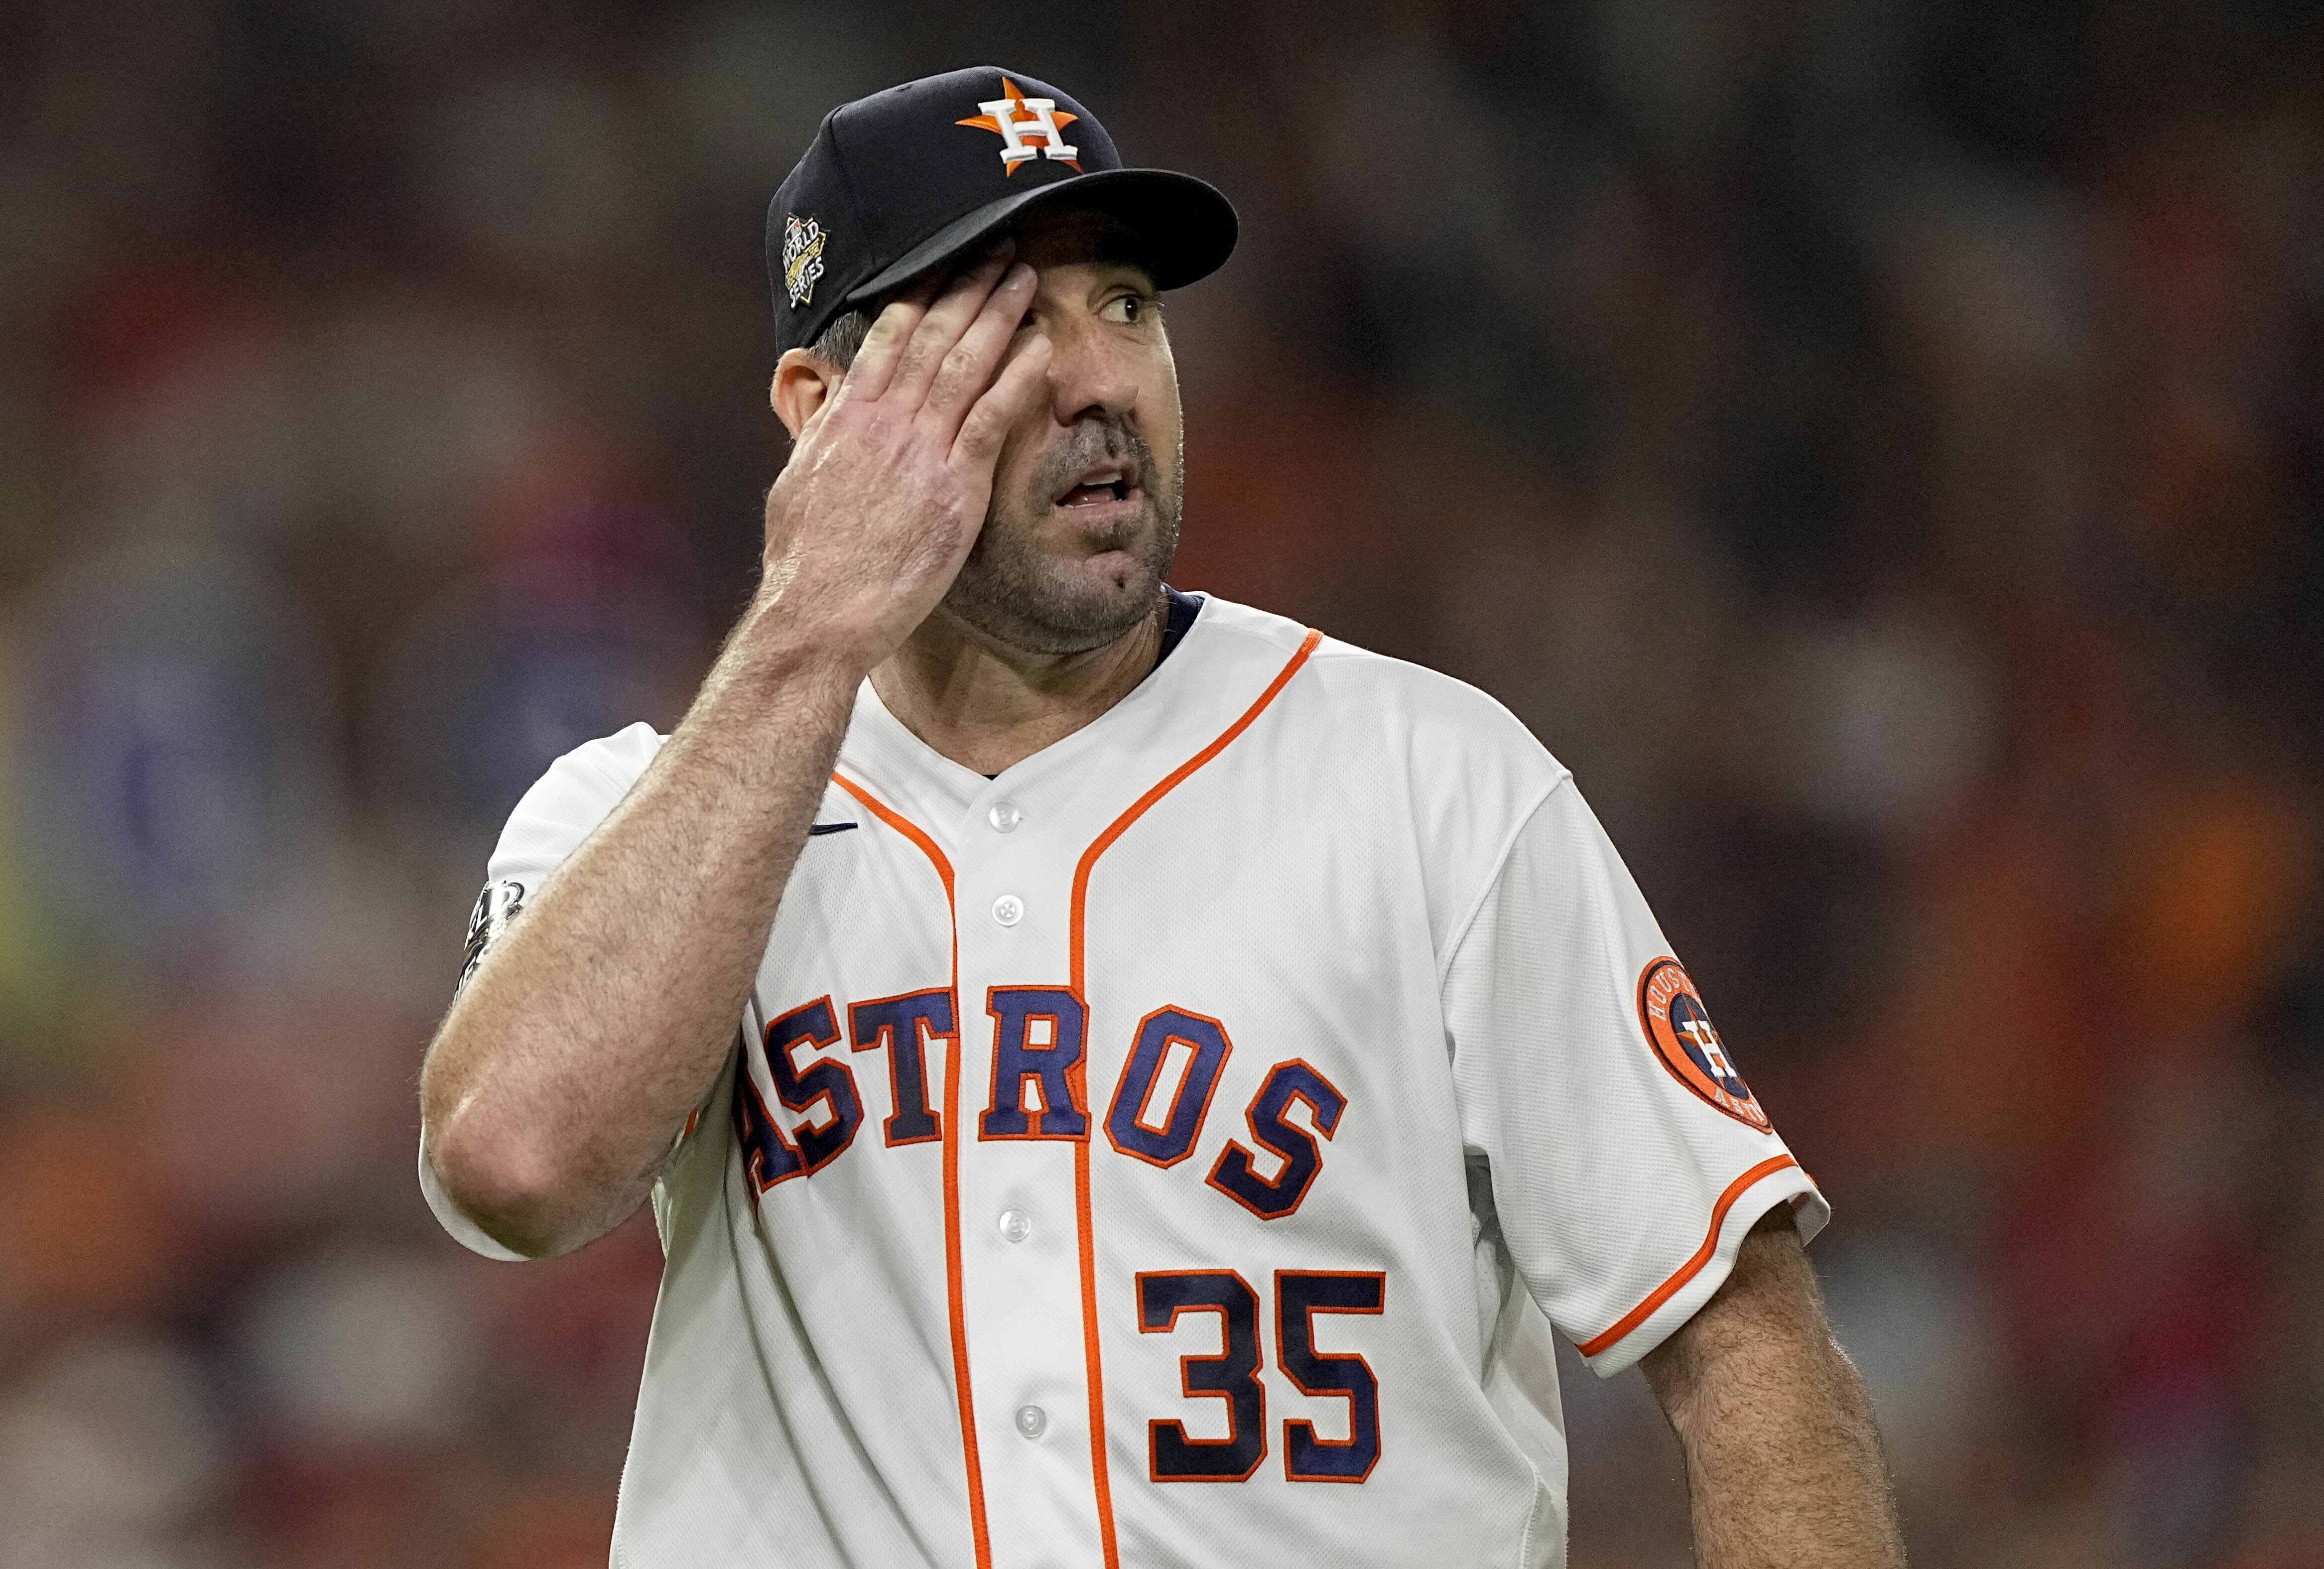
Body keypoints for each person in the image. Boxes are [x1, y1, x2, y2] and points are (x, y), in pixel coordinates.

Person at [419, 65, 1906, 1569]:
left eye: (1124, 304)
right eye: (1003, 322)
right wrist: (810, 624)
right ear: (822, 410)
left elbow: (1745, 1349)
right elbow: (516, 1165)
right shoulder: (643, 817)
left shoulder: (1430, 786)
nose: (1096, 377)